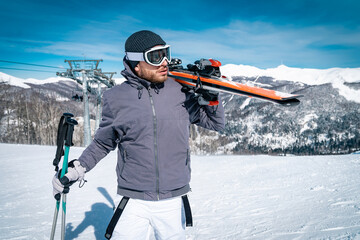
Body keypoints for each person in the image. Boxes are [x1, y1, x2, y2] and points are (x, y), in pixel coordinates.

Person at [52, 30, 225, 239]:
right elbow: (103, 143)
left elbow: (215, 123)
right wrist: (78, 168)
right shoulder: (115, 98)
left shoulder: (180, 90)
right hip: (132, 200)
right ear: (136, 64)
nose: (164, 62)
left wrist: (212, 97)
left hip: (173, 198)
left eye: (166, 54)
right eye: (155, 56)